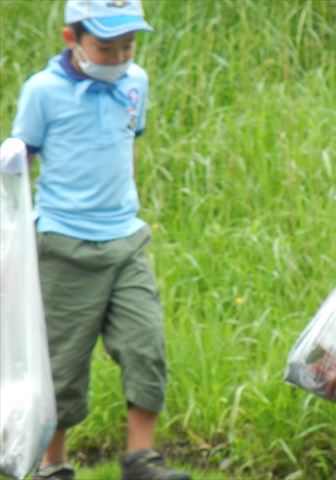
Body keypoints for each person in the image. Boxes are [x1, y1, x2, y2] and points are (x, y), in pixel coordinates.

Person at [10, 1, 190, 479]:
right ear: (73, 40)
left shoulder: (137, 82)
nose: (118, 57)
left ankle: (140, 459)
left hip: (125, 241)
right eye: (105, 47)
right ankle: (54, 464)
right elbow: (20, 161)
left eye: (128, 46)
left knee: (145, 344)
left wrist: (126, 205)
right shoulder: (42, 92)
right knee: (61, 363)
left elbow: (128, 143)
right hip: (63, 245)